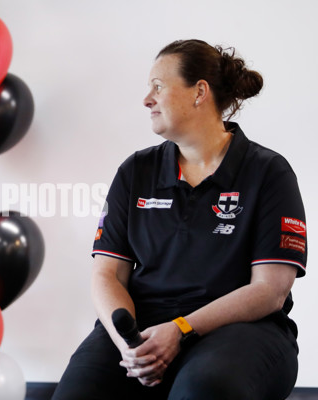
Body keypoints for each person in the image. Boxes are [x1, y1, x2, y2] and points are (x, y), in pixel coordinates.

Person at [52, 39, 307, 399]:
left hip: (243, 330)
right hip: (145, 326)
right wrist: (126, 343)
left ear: (199, 92)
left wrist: (181, 328)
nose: (147, 99)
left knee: (203, 388)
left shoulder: (267, 172)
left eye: (158, 86)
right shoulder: (136, 170)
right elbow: (106, 274)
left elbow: (270, 291)